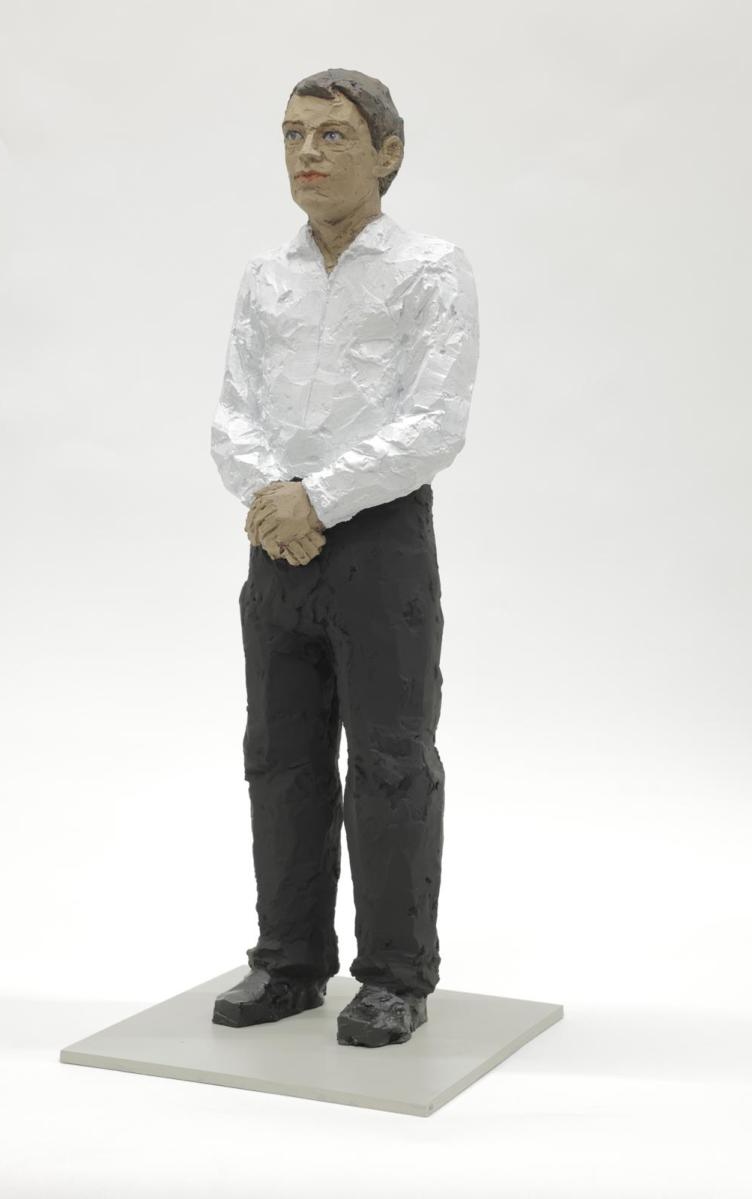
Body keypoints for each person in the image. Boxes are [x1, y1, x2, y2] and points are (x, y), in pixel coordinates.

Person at [209, 68, 479, 1047]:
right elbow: (233, 409)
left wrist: (315, 497)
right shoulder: (265, 276)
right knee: (279, 755)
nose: (307, 154)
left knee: (390, 759)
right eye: (292, 135)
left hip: (378, 543)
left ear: (387, 154)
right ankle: (288, 959)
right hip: (275, 542)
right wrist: (270, 497)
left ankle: (396, 974)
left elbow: (433, 419)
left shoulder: (429, 269)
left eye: (331, 135)